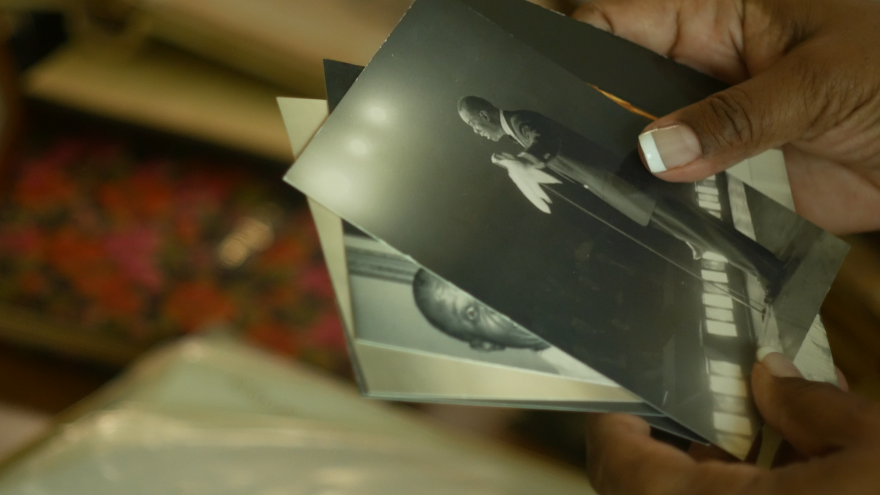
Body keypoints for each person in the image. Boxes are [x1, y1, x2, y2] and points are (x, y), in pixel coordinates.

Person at [568, 0, 880, 492]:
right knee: (712, 243)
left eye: (479, 119)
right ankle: (762, 269)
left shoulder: (524, 130)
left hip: (646, 199)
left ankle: (764, 269)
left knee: (712, 241)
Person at [457, 96, 788, 301]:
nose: (479, 134)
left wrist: (524, 161)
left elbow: (546, 143)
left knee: (700, 229)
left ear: (484, 116)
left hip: (627, 187)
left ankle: (767, 270)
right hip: (622, 192)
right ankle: (761, 266)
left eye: (474, 126)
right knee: (696, 231)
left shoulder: (520, 121)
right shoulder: (517, 131)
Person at [411, 268, 617, 386]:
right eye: (472, 312)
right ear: (486, 345)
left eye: (481, 283)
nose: (493, 301)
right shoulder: (594, 380)